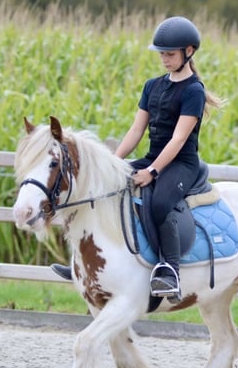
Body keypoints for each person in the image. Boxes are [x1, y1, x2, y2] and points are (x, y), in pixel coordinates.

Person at [51, 16, 223, 300]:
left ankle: (169, 270)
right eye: (162, 54)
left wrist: (153, 172)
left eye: (170, 54)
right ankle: (85, 263)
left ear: (188, 52)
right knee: (101, 190)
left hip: (181, 164)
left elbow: (179, 139)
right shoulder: (152, 86)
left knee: (160, 203)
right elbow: (136, 130)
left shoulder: (194, 91)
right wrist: (111, 164)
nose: (164, 60)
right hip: (153, 157)